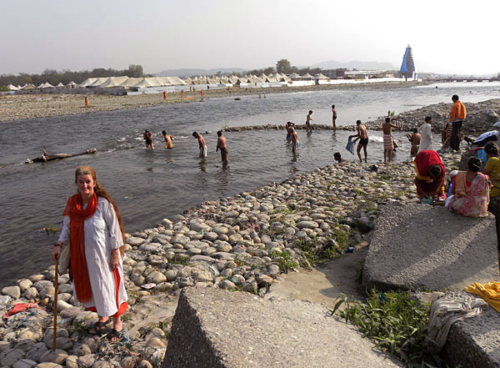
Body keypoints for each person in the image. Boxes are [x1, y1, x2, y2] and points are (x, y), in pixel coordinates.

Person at [52, 166, 128, 342]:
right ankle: (103, 316)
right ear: (76, 183)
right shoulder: (73, 204)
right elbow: (66, 228)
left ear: (94, 182)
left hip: (104, 256)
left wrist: (115, 253)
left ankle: (117, 321)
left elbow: (115, 229)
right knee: (95, 287)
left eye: (88, 182)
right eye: (81, 182)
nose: (84, 185)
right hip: (83, 257)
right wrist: (58, 244)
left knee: (110, 285)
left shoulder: (103, 204)